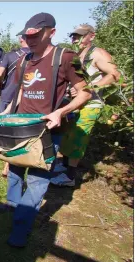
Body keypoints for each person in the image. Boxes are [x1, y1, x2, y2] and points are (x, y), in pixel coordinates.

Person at [0, 13, 92, 247]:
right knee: (15, 170)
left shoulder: (67, 57)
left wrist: (61, 112)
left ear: (52, 32)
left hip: (47, 130)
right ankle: (12, 204)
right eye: (29, 36)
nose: (32, 40)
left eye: (37, 35)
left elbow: (86, 91)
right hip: (22, 127)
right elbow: (21, 90)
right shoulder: (24, 60)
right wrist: (8, 110)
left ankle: (21, 225)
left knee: (38, 180)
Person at [50, 24, 121, 186]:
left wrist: (89, 89)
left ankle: (69, 177)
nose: (76, 38)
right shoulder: (78, 54)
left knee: (78, 138)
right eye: (74, 35)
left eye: (80, 35)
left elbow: (115, 74)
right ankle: (65, 165)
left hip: (90, 105)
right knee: (68, 135)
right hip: (75, 104)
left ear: (92, 36)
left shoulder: (98, 53)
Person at [0, 35, 30, 176]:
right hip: (26, 98)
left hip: (8, 95)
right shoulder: (36, 56)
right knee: (19, 130)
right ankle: (14, 161)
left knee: (6, 129)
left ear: (21, 39)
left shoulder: (10, 55)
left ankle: (6, 163)